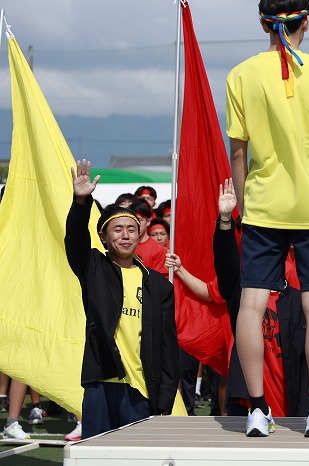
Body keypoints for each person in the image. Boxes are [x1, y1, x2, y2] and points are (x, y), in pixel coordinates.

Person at [226, 0, 309, 437]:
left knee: (251, 303)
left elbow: (238, 151)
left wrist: (246, 201)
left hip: (264, 203)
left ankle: (257, 411)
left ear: (264, 22)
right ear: (306, 19)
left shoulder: (240, 74)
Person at [65, 159, 179, 439]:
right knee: (97, 455)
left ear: (140, 235)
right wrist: (81, 202)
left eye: (132, 229)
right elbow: (75, 239)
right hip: (101, 382)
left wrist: (165, 399)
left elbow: (167, 346)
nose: (125, 235)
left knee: (137, 457)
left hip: (141, 388)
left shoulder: (157, 284)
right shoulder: (94, 267)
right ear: (103, 238)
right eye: (117, 230)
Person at [213, 179, 309, 418]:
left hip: (290, 404)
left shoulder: (299, 300)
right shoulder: (241, 290)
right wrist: (225, 220)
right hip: (247, 405)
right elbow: (226, 261)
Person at [130, 199, 169, 277]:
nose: (135, 223)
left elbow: (158, 281)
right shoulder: (122, 245)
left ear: (148, 221)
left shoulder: (159, 250)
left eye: (139, 220)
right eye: (132, 220)